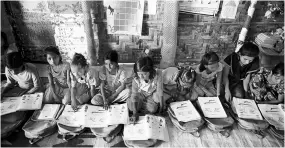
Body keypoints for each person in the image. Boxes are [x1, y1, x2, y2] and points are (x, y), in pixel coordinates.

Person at [127, 57, 164, 123]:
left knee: (153, 109)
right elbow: (135, 94)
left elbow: (160, 91)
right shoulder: (136, 79)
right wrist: (135, 113)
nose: (141, 77)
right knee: (131, 108)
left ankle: (142, 105)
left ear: (150, 71)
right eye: (139, 74)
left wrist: (161, 108)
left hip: (151, 94)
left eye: (144, 74)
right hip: (140, 93)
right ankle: (142, 105)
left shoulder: (157, 75)